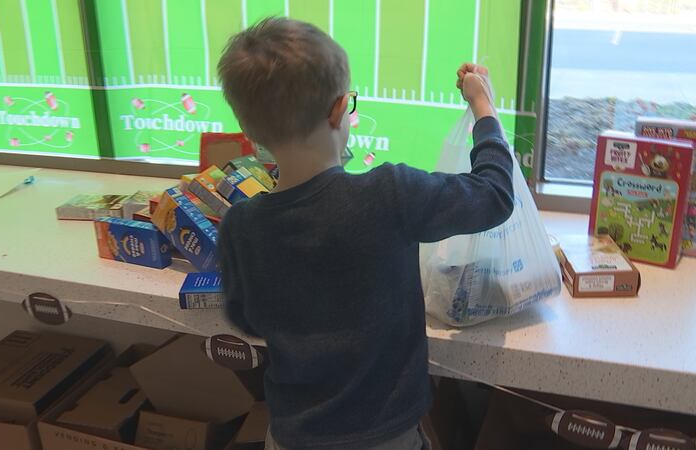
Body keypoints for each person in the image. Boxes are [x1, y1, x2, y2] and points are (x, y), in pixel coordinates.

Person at [217, 17, 514, 450]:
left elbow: (246, 319)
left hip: (291, 438)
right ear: (341, 110)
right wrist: (483, 107)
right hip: (386, 438)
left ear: (250, 133)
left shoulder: (240, 225)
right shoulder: (389, 195)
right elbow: (494, 194)